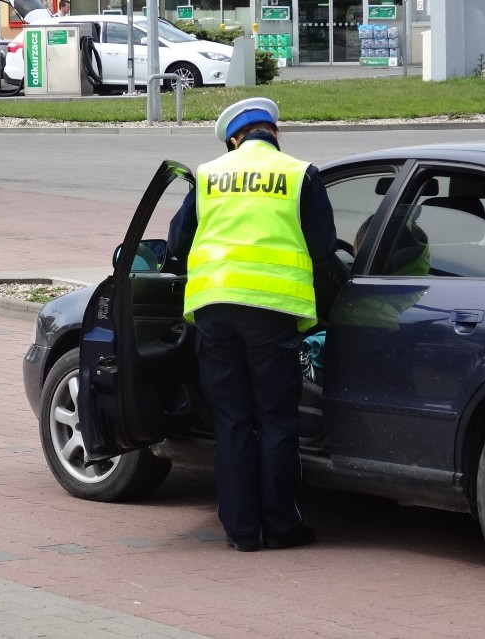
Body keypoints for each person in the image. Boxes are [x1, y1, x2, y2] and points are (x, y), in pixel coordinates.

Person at [167, 98, 336, 552]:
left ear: (233, 140)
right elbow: (323, 247)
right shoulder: (300, 174)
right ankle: (281, 527)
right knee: (277, 420)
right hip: (272, 310)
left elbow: (176, 243)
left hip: (214, 310)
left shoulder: (208, 175)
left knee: (232, 421)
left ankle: (241, 532)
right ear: (275, 133)